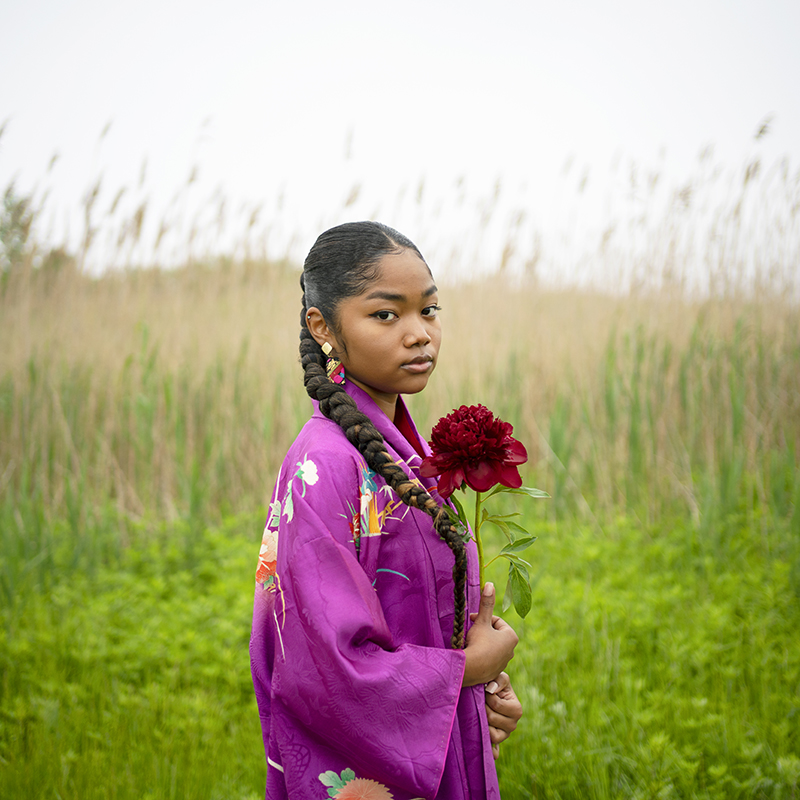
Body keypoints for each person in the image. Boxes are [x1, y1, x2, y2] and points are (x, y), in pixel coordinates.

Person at [250, 221, 523, 799]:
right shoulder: (323, 467)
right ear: (323, 327)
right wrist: (467, 672)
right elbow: (327, 668)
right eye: (386, 315)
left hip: (427, 738)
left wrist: (481, 696)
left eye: (429, 310)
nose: (419, 334)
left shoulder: (406, 456)